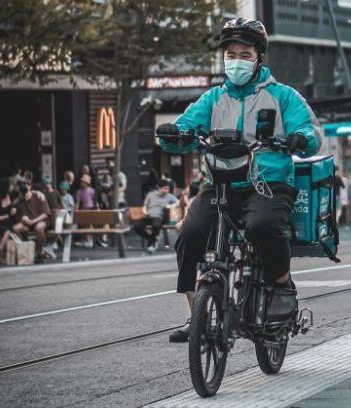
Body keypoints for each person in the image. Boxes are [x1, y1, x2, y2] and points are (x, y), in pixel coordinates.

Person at [156, 17, 321, 343]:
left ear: (259, 57)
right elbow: (185, 128)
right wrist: (173, 134)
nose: (236, 61)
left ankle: (281, 284)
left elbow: (310, 131)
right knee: (189, 233)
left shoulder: (283, 96)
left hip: (268, 184)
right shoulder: (213, 99)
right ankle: (196, 316)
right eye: (230, 54)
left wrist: (300, 139)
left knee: (263, 227)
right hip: (221, 183)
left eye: (244, 54)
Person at [12, 178, 53, 260]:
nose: (22, 186)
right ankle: (26, 249)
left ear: (30, 186)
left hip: (41, 220)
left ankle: (40, 252)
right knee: (15, 228)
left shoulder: (39, 196)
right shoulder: (19, 200)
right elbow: (18, 216)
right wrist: (22, 219)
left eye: (25, 184)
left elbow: (45, 214)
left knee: (39, 228)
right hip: (27, 223)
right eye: (21, 185)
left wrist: (32, 221)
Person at [133, 179, 178, 255]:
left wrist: (171, 205)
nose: (167, 190)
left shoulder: (169, 196)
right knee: (136, 226)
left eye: (168, 189)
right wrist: (145, 211)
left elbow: (178, 202)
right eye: (165, 188)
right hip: (149, 216)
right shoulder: (150, 194)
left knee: (156, 225)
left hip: (160, 217)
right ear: (159, 188)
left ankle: (150, 243)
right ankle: (152, 239)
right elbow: (145, 206)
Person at [74, 174, 96, 247]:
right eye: (82, 181)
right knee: (83, 225)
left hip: (90, 208)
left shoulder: (92, 191)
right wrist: (76, 210)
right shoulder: (79, 191)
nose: (82, 183)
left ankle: (90, 239)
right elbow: (78, 202)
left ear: (87, 183)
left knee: (89, 224)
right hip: (83, 208)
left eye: (83, 182)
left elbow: (94, 200)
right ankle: (86, 239)